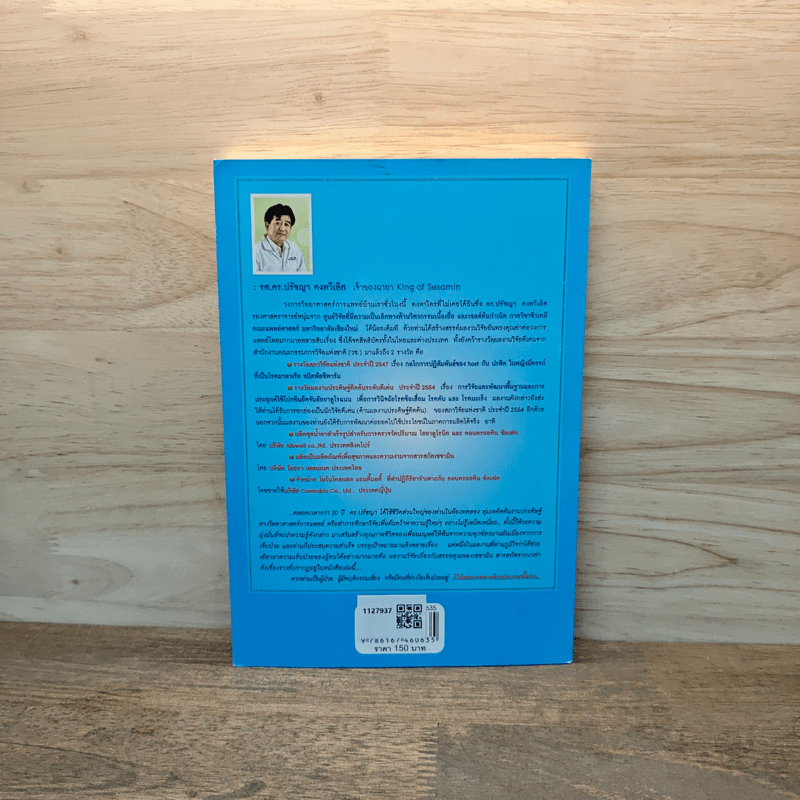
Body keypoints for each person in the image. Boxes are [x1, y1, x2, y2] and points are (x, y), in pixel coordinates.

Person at [253, 204, 306, 273]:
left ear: (290, 228)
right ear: (267, 226)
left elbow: (303, 277)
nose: (282, 229)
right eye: (277, 223)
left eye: (286, 224)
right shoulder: (255, 251)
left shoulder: (295, 250)